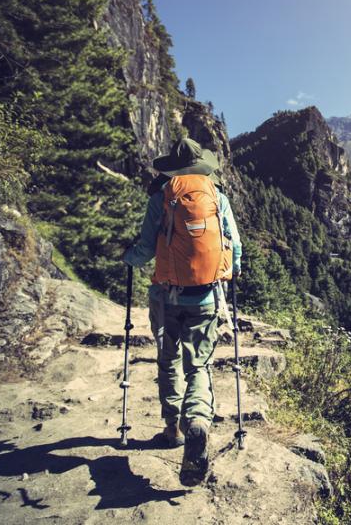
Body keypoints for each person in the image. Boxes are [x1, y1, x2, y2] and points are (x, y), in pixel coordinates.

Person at [123, 137, 242, 486]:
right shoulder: (218, 198)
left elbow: (144, 250)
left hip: (165, 296)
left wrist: (127, 258)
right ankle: (199, 423)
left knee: (168, 360)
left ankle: (172, 428)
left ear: (172, 168)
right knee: (199, 364)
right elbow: (234, 247)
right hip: (205, 297)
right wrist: (228, 273)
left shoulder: (161, 197)